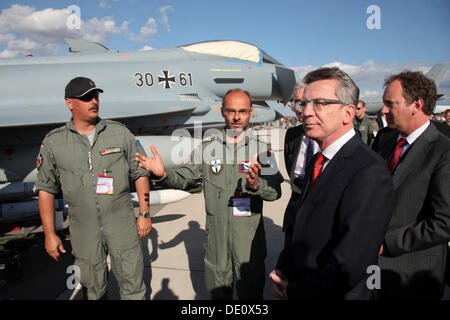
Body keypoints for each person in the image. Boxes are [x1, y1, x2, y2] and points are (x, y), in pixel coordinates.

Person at [136, 89, 283, 300]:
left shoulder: (263, 151)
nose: (236, 117)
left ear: (251, 112)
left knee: (251, 295)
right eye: (231, 111)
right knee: (218, 296)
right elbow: (186, 177)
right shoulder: (207, 149)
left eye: (242, 111)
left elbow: (276, 191)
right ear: (222, 112)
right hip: (216, 241)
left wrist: (256, 185)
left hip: (249, 242)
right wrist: (163, 174)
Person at [270, 67, 395, 299]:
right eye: (304, 104)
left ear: (348, 113)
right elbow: (302, 226)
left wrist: (295, 292)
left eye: (319, 103)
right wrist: (284, 268)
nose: (306, 112)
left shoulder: (368, 172)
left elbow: (350, 263)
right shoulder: (319, 161)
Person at [36, 77, 151, 300]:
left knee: (134, 288)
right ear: (70, 103)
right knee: (93, 291)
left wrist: (145, 214)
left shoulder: (119, 133)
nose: (94, 101)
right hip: (83, 230)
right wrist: (50, 234)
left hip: (122, 226)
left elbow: (141, 173)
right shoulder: (54, 143)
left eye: (95, 96)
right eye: (86, 97)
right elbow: (45, 189)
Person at [372, 71, 450, 299]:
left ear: (416, 105)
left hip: (412, 271)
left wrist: (387, 243)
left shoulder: (443, 150)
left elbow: (444, 222)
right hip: (371, 266)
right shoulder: (384, 139)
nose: (383, 110)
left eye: (390, 104)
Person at [283, 83, 318, 245]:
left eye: (304, 102)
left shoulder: (335, 138)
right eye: (297, 102)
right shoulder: (292, 135)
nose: (300, 108)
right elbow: (290, 167)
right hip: (295, 212)